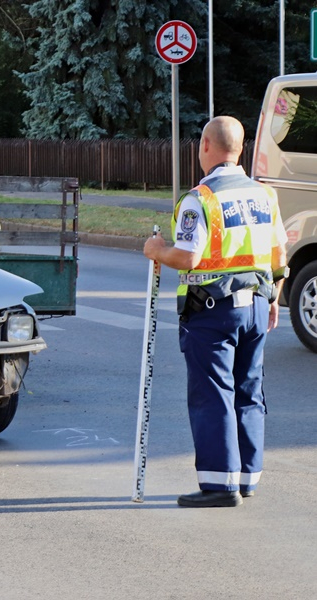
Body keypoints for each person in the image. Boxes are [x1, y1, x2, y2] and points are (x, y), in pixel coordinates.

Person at [143, 116, 288, 508]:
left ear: (205, 145)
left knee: (213, 395)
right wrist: (273, 298)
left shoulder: (201, 199)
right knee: (248, 391)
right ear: (240, 149)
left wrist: (157, 250)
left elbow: (188, 256)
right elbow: (279, 256)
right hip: (257, 305)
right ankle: (246, 479)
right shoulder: (265, 195)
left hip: (213, 311)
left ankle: (219, 485)